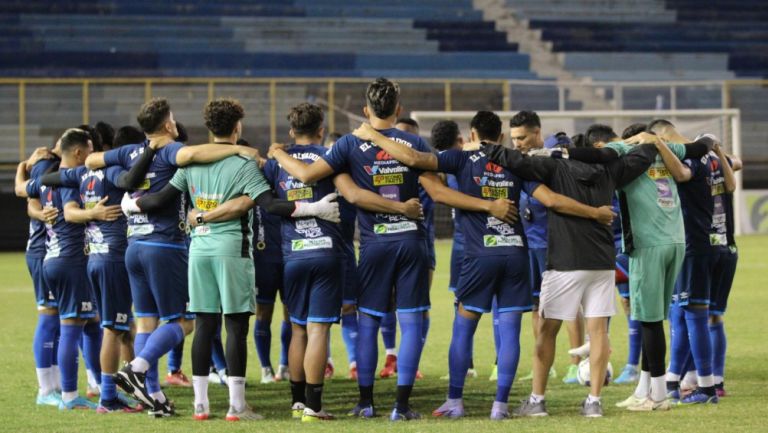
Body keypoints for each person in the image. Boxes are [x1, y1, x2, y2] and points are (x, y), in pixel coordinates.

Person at [267, 78, 517, 421]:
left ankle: (367, 402)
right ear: (399, 109)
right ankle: (401, 405)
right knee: (411, 322)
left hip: (374, 245)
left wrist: (277, 152)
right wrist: (487, 206)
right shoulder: (413, 142)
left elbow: (315, 178)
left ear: (366, 110)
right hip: (412, 242)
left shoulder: (350, 144)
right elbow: (441, 194)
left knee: (369, 321)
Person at [353, 111, 621, 419]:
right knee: (509, 330)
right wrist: (594, 213)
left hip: (479, 254)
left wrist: (375, 136)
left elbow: (415, 160)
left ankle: (455, 401)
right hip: (515, 254)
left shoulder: (460, 158)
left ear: (471, 136)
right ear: (503, 137)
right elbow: (552, 201)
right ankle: (500, 406)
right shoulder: (515, 163)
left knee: (464, 328)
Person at [121, 98, 341, 421]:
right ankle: (237, 406)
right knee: (235, 327)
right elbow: (270, 205)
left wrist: (130, 205)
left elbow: (160, 198)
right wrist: (314, 208)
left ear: (210, 129)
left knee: (205, 323)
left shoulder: (191, 165)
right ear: (237, 128)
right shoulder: (244, 164)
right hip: (231, 250)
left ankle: (201, 405)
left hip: (199, 251)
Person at [85, 98, 264, 416]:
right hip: (164, 247)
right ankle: (137, 368)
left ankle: (152, 396)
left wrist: (126, 194)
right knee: (183, 321)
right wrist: (239, 150)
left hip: (133, 245)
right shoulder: (170, 150)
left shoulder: (129, 152)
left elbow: (91, 161)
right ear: (168, 125)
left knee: (145, 324)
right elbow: (193, 153)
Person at [471, 128, 667, 417]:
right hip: (601, 260)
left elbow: (516, 161)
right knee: (599, 332)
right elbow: (641, 158)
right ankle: (594, 402)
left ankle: (537, 401)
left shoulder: (554, 166)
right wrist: (648, 142)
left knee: (548, 330)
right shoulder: (610, 168)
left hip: (564, 260)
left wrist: (485, 147)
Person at [570, 123, 714, 411]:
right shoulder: (664, 147)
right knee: (655, 319)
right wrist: (659, 141)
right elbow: (706, 144)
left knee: (647, 320)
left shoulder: (623, 151)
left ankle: (658, 396)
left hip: (648, 244)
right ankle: (644, 389)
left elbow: (593, 157)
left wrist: (558, 153)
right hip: (676, 240)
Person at [38, 130, 145, 413]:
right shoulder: (107, 173)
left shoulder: (76, 175)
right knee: (99, 327)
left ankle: (103, 387)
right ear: (79, 151)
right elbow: (73, 212)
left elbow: (41, 183)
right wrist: (96, 212)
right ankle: (91, 396)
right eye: (90, 148)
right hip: (88, 259)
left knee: (100, 325)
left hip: (88, 259)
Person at [21, 129, 102, 410]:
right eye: (90, 149)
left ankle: (80, 386)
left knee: (78, 321)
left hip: (52, 255)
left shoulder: (50, 175)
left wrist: (23, 168)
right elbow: (32, 197)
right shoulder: (66, 175)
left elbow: (24, 189)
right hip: (54, 255)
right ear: (78, 151)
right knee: (59, 322)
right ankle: (55, 391)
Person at [15, 143, 62, 406]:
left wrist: (24, 164)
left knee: (58, 321)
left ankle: (53, 386)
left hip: (54, 252)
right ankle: (45, 390)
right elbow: (30, 203)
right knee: (48, 316)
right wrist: (26, 164)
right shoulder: (46, 164)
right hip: (42, 252)